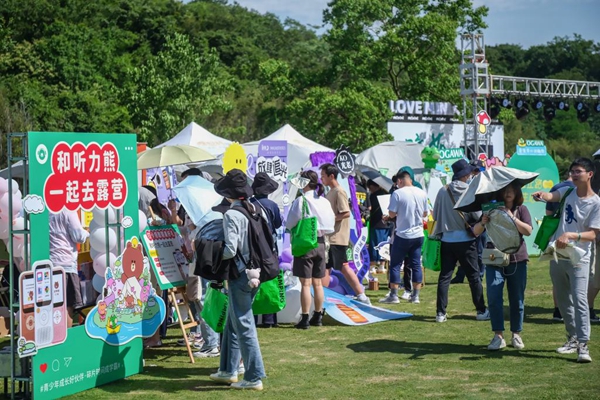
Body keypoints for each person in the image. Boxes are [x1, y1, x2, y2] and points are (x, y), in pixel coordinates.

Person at [533, 157, 600, 363]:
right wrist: (542, 195)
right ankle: (572, 338)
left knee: (580, 300)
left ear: (590, 174)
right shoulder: (568, 191)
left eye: (578, 171)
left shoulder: (596, 203)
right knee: (563, 300)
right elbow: (552, 195)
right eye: (572, 171)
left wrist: (572, 235)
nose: (574, 174)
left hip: (579, 257)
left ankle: (583, 345)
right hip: (558, 255)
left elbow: (594, 234)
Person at [209, 169, 266, 390]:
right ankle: (227, 370)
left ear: (227, 194)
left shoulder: (232, 214)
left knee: (243, 325)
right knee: (234, 323)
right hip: (255, 272)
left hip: (240, 274)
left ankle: (253, 377)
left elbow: (230, 250)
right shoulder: (253, 209)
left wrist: (211, 253)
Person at [472, 183, 532, 350]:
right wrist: (483, 221)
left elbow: (528, 231)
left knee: (517, 298)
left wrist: (511, 217)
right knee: (494, 296)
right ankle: (498, 335)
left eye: (512, 189)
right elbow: (475, 231)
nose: (508, 193)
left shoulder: (522, 209)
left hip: (517, 258)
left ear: (517, 191)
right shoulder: (491, 208)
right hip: (494, 258)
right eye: (505, 190)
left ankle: (516, 334)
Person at [432, 159, 489, 323]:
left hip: (447, 239)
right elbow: (478, 216)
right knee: (474, 276)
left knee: (445, 277)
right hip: (466, 239)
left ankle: (440, 313)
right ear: (466, 174)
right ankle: (481, 310)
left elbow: (435, 215)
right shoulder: (470, 190)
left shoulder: (443, 191)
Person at [287, 170, 335, 329]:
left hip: (305, 244)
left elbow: (290, 223)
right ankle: (318, 315)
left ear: (305, 183)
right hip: (321, 243)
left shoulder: (301, 201)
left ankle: (305, 317)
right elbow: (330, 224)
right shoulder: (324, 201)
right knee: (318, 283)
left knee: (305, 284)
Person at [320, 163, 371, 305]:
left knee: (342, 266)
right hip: (330, 237)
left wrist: (329, 220)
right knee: (326, 267)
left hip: (336, 238)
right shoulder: (330, 191)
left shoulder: (339, 191)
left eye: (323, 176)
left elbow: (346, 213)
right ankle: (321, 298)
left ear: (331, 176)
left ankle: (361, 294)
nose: (321, 179)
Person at [379, 167, 428, 304]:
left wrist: (390, 216)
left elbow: (392, 214)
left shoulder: (398, 193)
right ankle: (415, 296)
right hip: (418, 234)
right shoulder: (421, 192)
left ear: (400, 181)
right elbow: (425, 213)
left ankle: (394, 295)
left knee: (395, 264)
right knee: (416, 265)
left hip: (403, 234)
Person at [250, 172, 283, 328]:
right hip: (270, 248)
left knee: (254, 281)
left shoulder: (248, 204)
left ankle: (254, 316)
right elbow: (277, 224)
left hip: (253, 248)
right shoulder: (272, 206)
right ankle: (270, 318)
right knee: (270, 280)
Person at [49, 209, 89, 327]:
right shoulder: (67, 211)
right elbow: (79, 236)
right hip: (66, 264)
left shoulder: (46, 211)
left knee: (54, 305)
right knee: (67, 305)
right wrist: (87, 232)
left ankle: (55, 339)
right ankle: (66, 340)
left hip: (49, 264)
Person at [545, 176, 575, 322]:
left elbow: (549, 213)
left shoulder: (558, 187)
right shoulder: (569, 190)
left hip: (557, 240)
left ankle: (558, 310)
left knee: (558, 280)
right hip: (569, 242)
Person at [451, 160, 487, 283]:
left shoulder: (485, 183)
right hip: (467, 222)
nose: (475, 173)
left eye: (478, 170)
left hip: (481, 220)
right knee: (465, 253)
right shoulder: (467, 184)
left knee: (481, 251)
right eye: (473, 170)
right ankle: (460, 276)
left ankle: (480, 275)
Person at [366, 180, 390, 270]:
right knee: (384, 244)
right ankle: (382, 265)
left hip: (376, 223)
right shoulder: (386, 194)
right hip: (386, 223)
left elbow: (370, 208)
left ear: (372, 186)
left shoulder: (373, 196)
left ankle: (372, 265)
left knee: (374, 244)